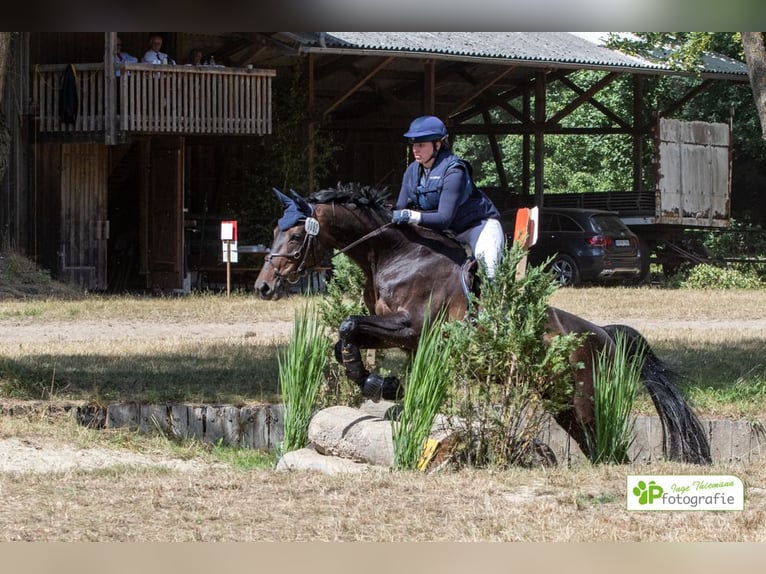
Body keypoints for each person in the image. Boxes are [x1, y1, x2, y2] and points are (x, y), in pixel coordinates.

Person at [392, 115, 505, 279]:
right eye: (414, 144)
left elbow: (444, 218)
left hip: (477, 229)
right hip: (447, 234)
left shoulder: (454, 170)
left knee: (490, 275)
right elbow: (400, 208)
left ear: (437, 145)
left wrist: (411, 215)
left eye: (421, 145)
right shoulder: (411, 171)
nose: (415, 149)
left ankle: (498, 303)